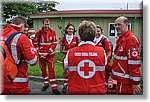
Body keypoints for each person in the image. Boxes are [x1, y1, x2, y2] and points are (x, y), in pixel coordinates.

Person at [64, 20, 107, 95]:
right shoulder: (102, 52)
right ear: (94, 36)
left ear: (80, 36)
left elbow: (66, 68)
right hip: (97, 91)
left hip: (76, 91)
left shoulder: (70, 52)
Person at [1, 16, 38, 95]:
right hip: (18, 81)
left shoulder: (2, 33)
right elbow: (33, 61)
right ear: (22, 25)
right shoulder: (22, 37)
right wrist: (31, 45)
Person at [110, 16, 142, 95]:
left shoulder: (131, 39)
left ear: (126, 24)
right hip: (120, 79)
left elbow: (134, 62)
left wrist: (135, 82)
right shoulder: (121, 38)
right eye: (115, 25)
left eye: (119, 25)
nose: (117, 27)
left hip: (126, 82)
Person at [33, 18, 61, 95]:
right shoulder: (39, 32)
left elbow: (54, 43)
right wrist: (39, 52)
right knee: (43, 70)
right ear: (43, 24)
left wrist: (48, 52)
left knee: (51, 70)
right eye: (45, 24)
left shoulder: (53, 32)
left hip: (50, 56)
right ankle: (46, 84)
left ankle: (54, 87)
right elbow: (35, 43)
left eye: (48, 24)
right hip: (41, 55)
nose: (47, 26)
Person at [60, 23, 79, 93]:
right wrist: (69, 52)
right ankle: (65, 85)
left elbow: (78, 48)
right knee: (65, 71)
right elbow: (61, 50)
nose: (71, 30)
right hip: (66, 57)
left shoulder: (76, 38)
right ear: (67, 29)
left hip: (74, 58)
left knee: (73, 71)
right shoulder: (64, 38)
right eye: (69, 29)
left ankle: (72, 85)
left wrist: (72, 53)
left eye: (72, 29)